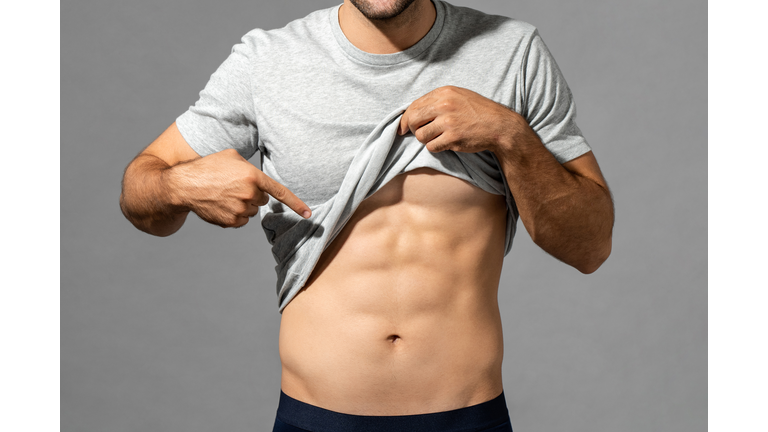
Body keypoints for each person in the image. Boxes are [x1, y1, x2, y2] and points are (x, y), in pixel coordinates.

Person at [120, 0, 614, 430]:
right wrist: (179, 184)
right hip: (315, 419)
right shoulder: (267, 61)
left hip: (468, 417)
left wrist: (510, 135)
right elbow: (141, 197)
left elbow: (590, 247)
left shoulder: (512, 53)